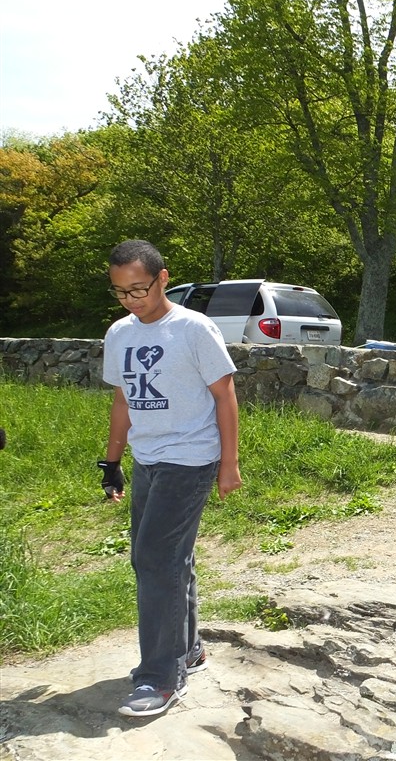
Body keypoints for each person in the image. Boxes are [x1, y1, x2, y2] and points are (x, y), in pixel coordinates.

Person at [99, 239, 242, 717]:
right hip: (148, 457)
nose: (131, 300)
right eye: (121, 292)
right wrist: (112, 461)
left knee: (156, 559)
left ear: (163, 279)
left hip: (191, 457)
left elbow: (224, 395)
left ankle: (161, 678)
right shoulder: (119, 333)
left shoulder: (193, 328)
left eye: (139, 288)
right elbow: (123, 400)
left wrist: (228, 463)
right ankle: (189, 650)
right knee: (169, 558)